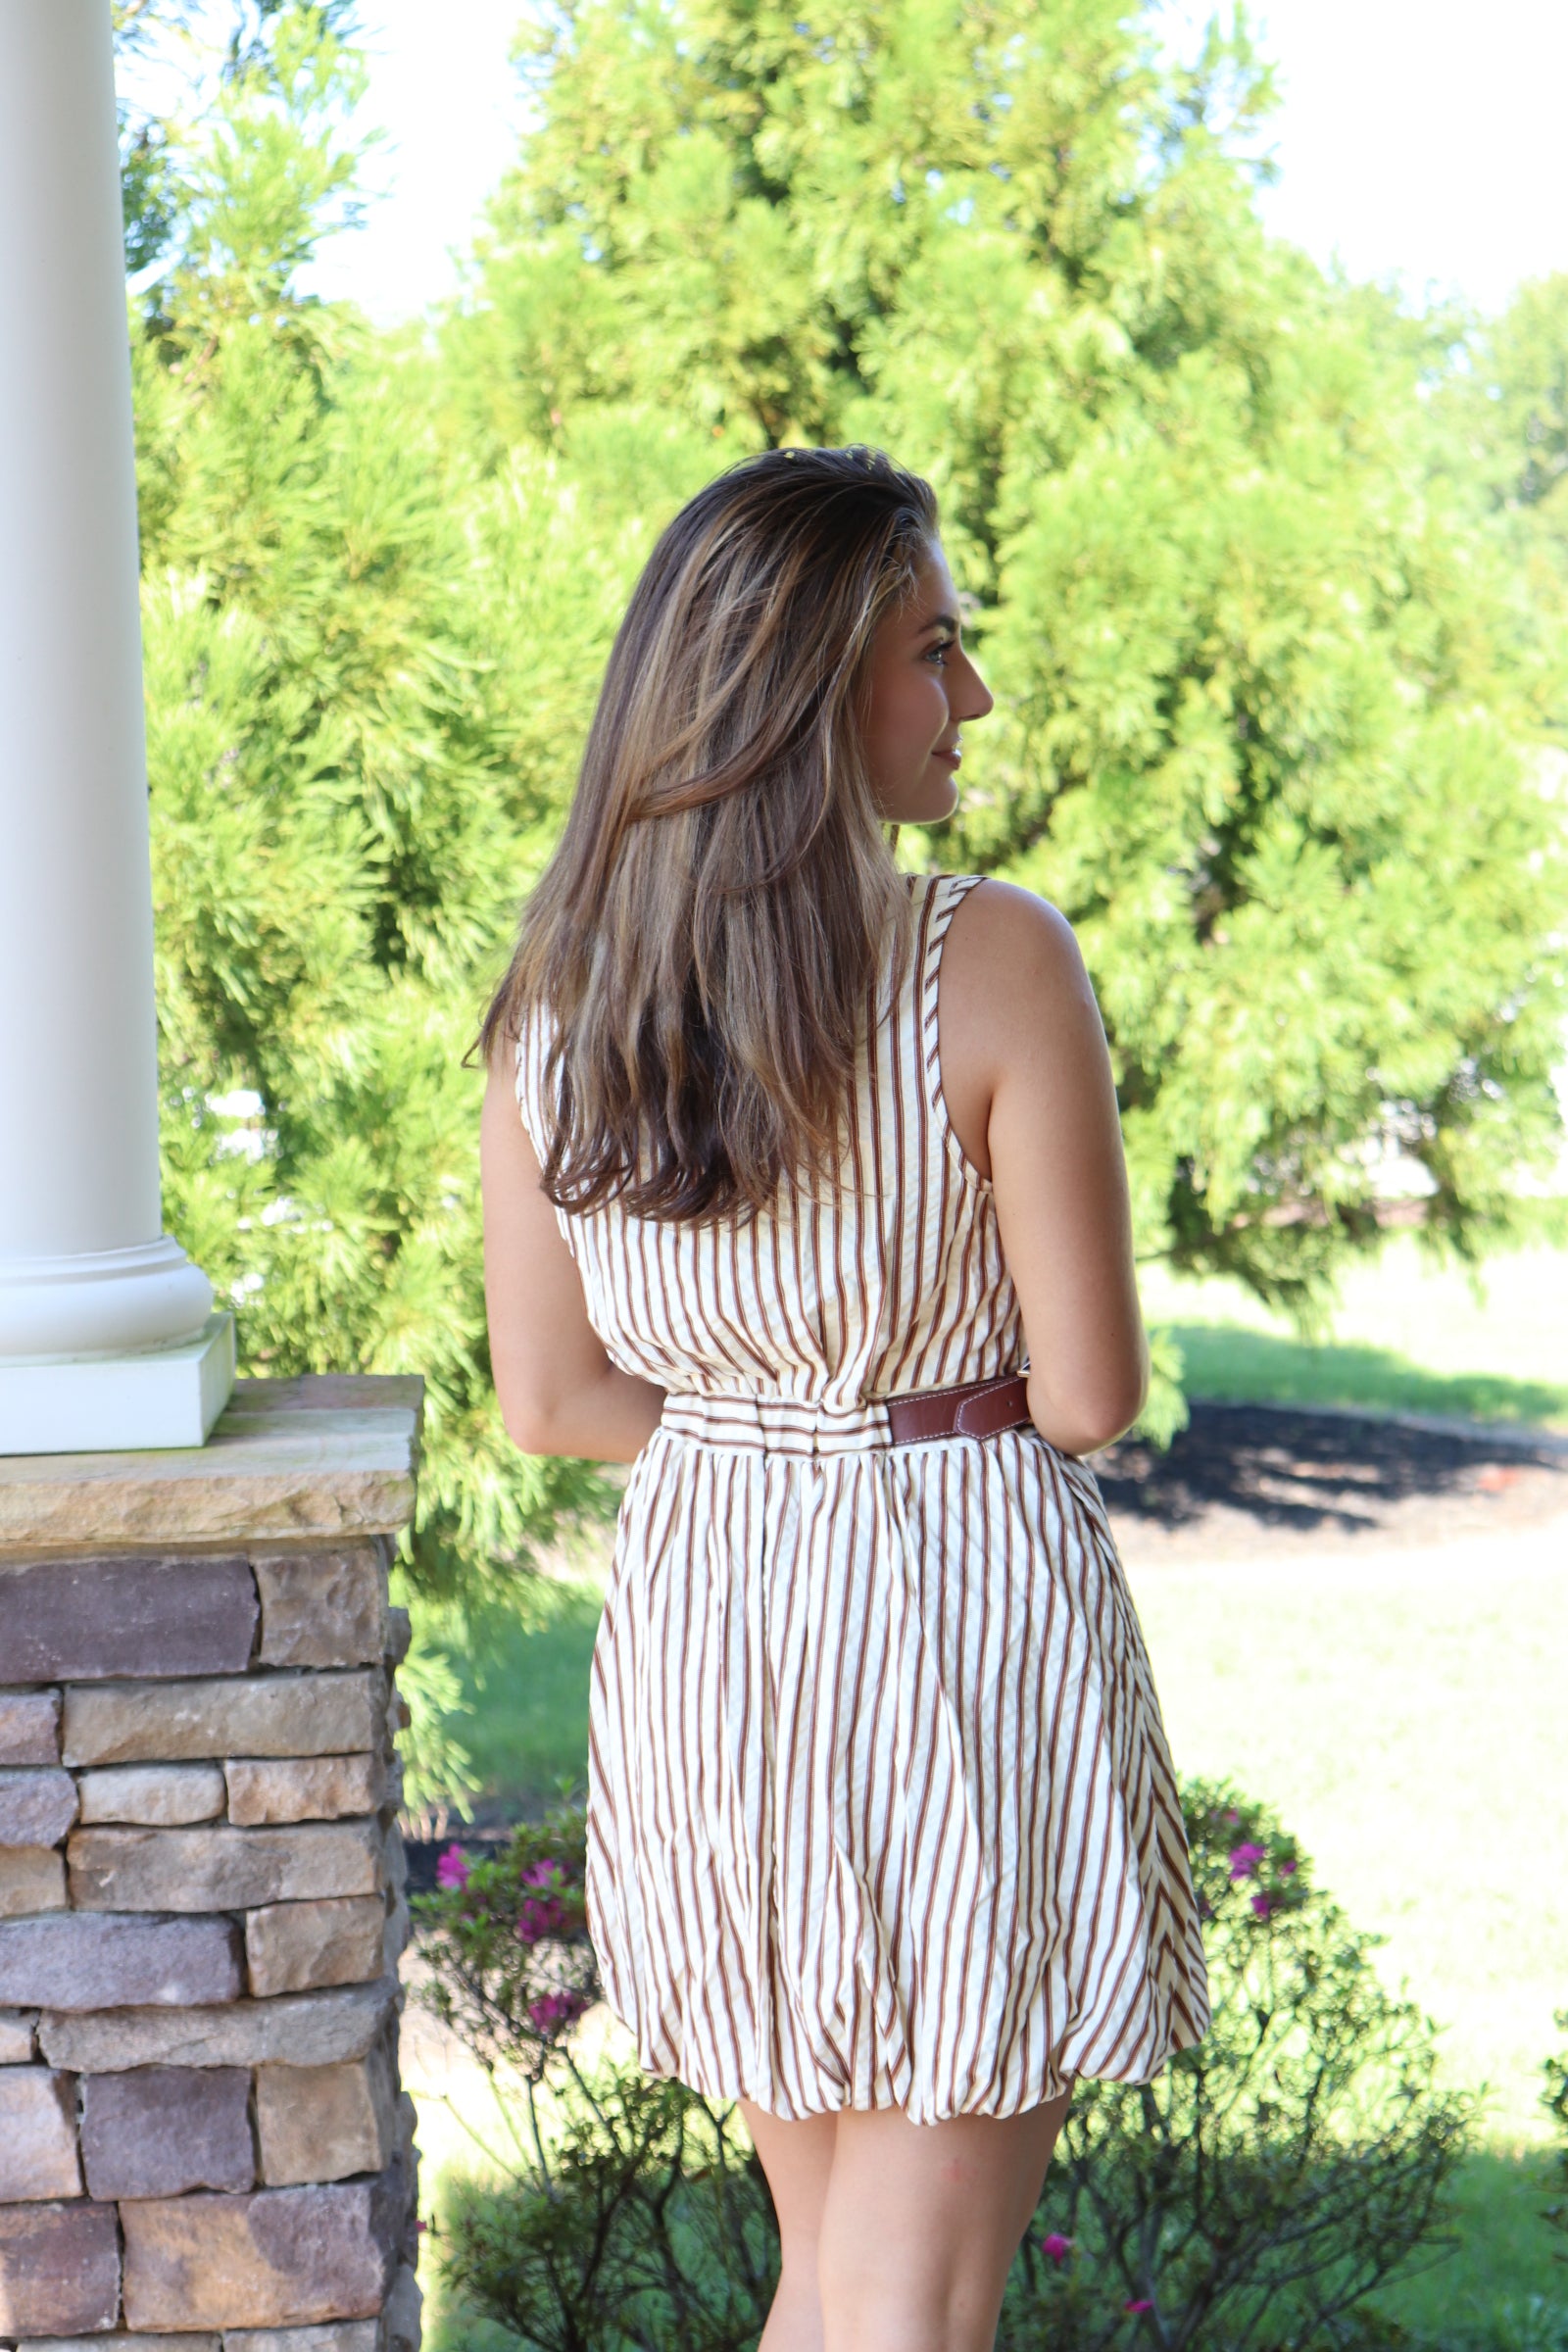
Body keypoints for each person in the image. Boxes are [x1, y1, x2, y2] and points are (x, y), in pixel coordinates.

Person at [480, 445, 1208, 2352]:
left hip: (713, 1628)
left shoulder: (556, 1001)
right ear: (806, 689)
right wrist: (868, 1433)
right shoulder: (988, 961)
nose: (969, 698)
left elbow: (550, 1397)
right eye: (931, 650)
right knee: (906, 2312)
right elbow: (1088, 1393)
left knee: (835, 2286)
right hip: (953, 1619)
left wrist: (757, 1438)